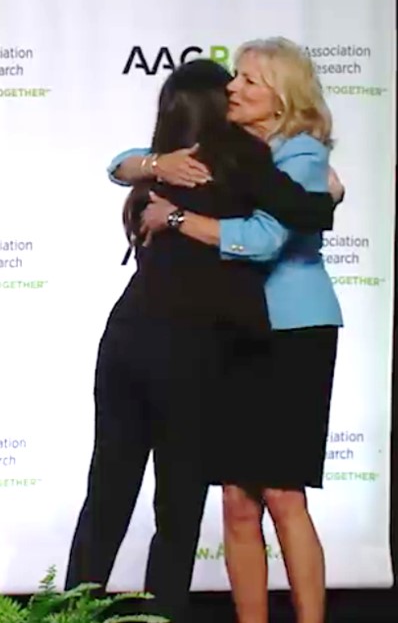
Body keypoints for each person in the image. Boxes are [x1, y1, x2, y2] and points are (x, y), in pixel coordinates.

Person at [65, 58, 338, 623]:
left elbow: (117, 165)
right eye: (231, 86)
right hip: (188, 350)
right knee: (180, 503)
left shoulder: (161, 169)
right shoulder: (238, 159)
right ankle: (158, 615)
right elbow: (293, 214)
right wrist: (328, 198)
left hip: (125, 341)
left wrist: (148, 166)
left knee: (108, 491)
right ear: (219, 110)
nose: (238, 91)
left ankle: (70, 613)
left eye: (248, 82)